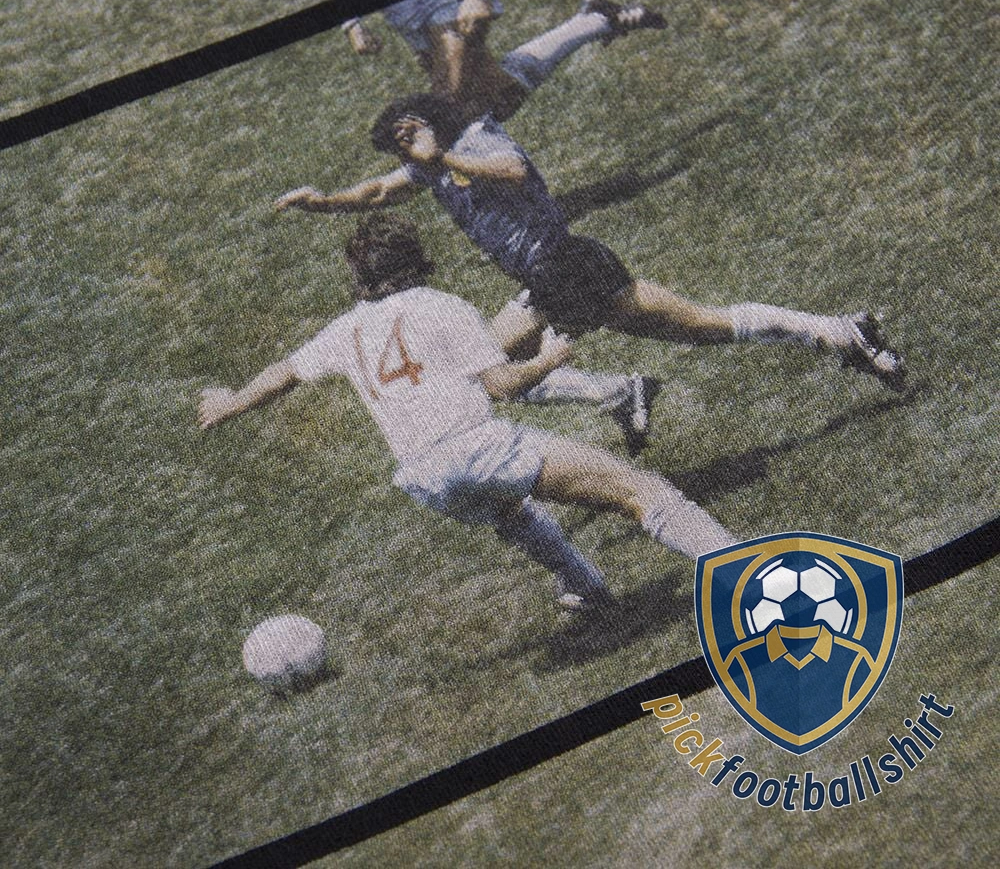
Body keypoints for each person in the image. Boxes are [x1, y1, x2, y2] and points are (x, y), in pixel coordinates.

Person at [198, 213, 737, 613]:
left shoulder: (345, 329)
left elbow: (285, 372)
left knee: (512, 513)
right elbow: (501, 385)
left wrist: (231, 403)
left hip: (422, 477)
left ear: (359, 277)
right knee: (639, 491)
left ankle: (586, 589)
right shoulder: (440, 305)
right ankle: (749, 574)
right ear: (417, 261)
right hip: (476, 446)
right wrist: (550, 358)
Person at [275, 93, 907, 390]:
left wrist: (443, 157)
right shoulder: (429, 168)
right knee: (701, 327)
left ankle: (616, 396)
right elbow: (378, 193)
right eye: (398, 146)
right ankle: (839, 331)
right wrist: (322, 202)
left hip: (561, 265)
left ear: (428, 122)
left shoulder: (472, 141)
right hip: (563, 269)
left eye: (405, 137)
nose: (404, 152)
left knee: (478, 371)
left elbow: (514, 171)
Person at [341, 0, 666, 122]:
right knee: (498, 97)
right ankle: (596, 19)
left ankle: (510, 213)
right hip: (403, 15)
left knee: (451, 107)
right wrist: (351, 23)